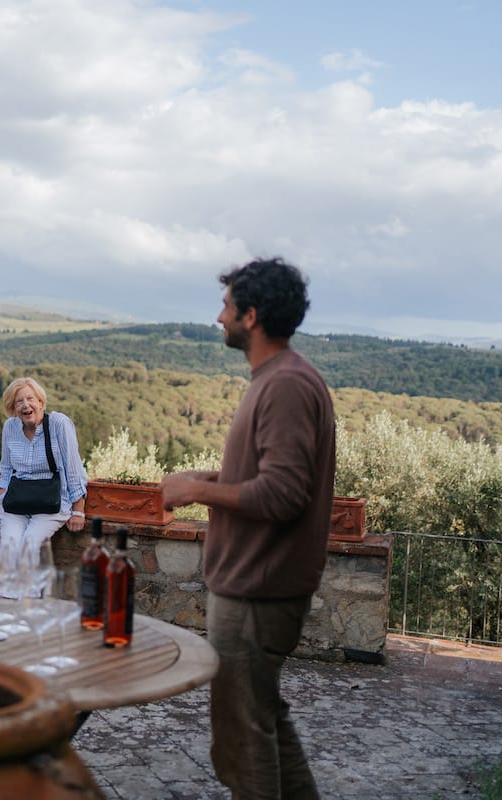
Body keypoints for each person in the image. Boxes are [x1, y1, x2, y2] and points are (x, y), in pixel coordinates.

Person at [160, 257, 335, 799]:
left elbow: (283, 495)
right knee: (267, 721)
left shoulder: (284, 385)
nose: (219, 317)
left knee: (242, 741)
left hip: (258, 591)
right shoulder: (281, 379)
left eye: (227, 306)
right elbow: (268, 474)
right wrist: (214, 476)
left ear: (251, 316)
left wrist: (195, 492)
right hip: (258, 586)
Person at [0, 377, 88, 559]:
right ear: (13, 408)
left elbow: (74, 468)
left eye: (30, 399)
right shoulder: (10, 427)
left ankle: (29, 588)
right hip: (17, 502)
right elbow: (6, 470)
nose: (25, 405)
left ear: (40, 402)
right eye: (19, 401)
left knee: (27, 550)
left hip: (51, 503)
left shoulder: (58, 424)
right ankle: (16, 589)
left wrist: (78, 510)